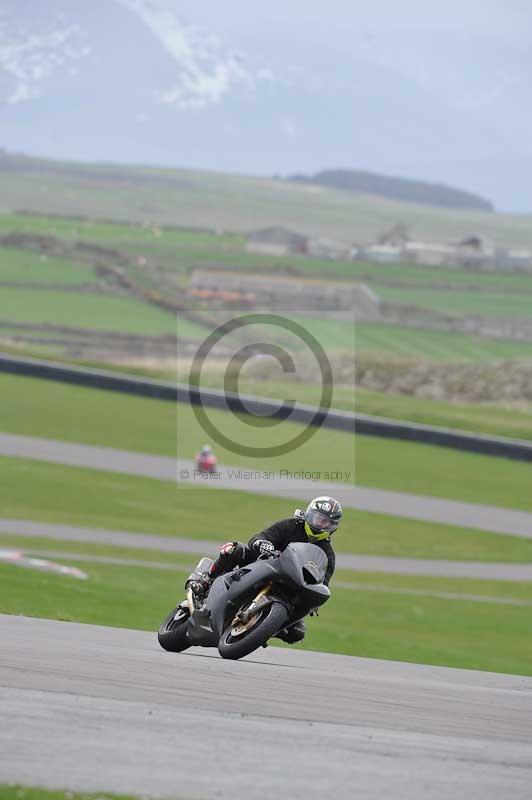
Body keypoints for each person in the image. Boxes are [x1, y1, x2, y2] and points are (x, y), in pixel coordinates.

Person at [186, 496, 342, 644]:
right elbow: (261, 536)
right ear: (309, 514)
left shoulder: (327, 554)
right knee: (233, 549)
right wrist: (263, 544)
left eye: (326, 522)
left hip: (291, 585)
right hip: (263, 562)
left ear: (333, 526)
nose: (320, 524)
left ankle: (263, 626)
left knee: (297, 632)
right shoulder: (290, 525)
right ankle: (206, 580)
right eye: (317, 518)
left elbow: (324, 581)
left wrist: (315, 598)